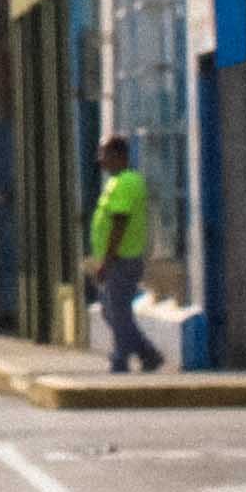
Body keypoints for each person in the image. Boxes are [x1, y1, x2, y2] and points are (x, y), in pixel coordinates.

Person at [87, 134, 160, 374]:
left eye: (104, 154)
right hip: (117, 258)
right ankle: (146, 352)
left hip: (122, 258)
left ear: (119, 155)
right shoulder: (115, 182)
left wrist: (106, 260)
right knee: (111, 310)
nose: (100, 159)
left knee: (117, 311)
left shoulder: (127, 181)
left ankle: (121, 358)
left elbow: (120, 223)